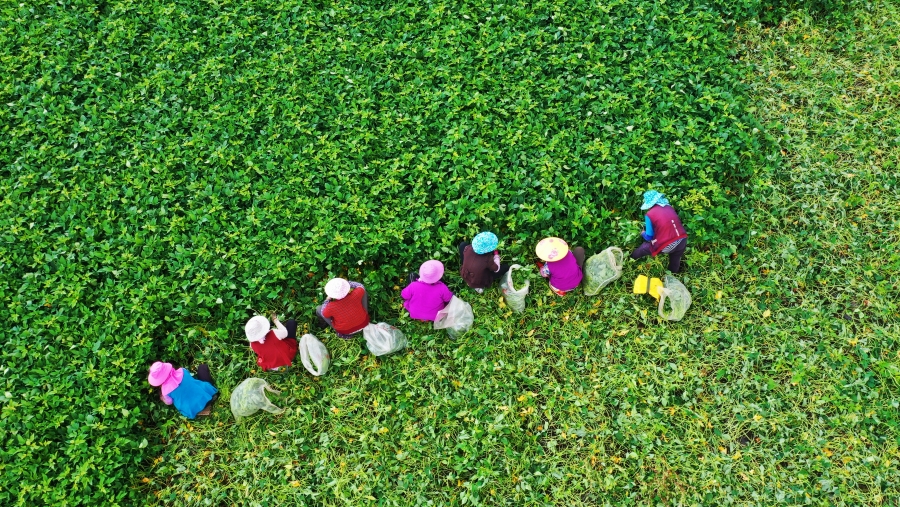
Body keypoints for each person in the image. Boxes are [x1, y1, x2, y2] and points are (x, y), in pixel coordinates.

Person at [630, 190, 688, 273]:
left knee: (644, 248)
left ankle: (630, 260)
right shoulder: (669, 207)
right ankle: (672, 275)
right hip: (682, 240)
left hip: (668, 244)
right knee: (675, 260)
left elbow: (649, 237)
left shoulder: (649, 214)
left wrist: (642, 233)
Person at [148, 361, 218, 419]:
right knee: (202, 367)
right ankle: (209, 393)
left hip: (193, 410)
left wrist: (162, 397)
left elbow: (169, 402)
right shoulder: (182, 371)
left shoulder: (165, 392)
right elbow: (189, 377)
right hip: (208, 396)